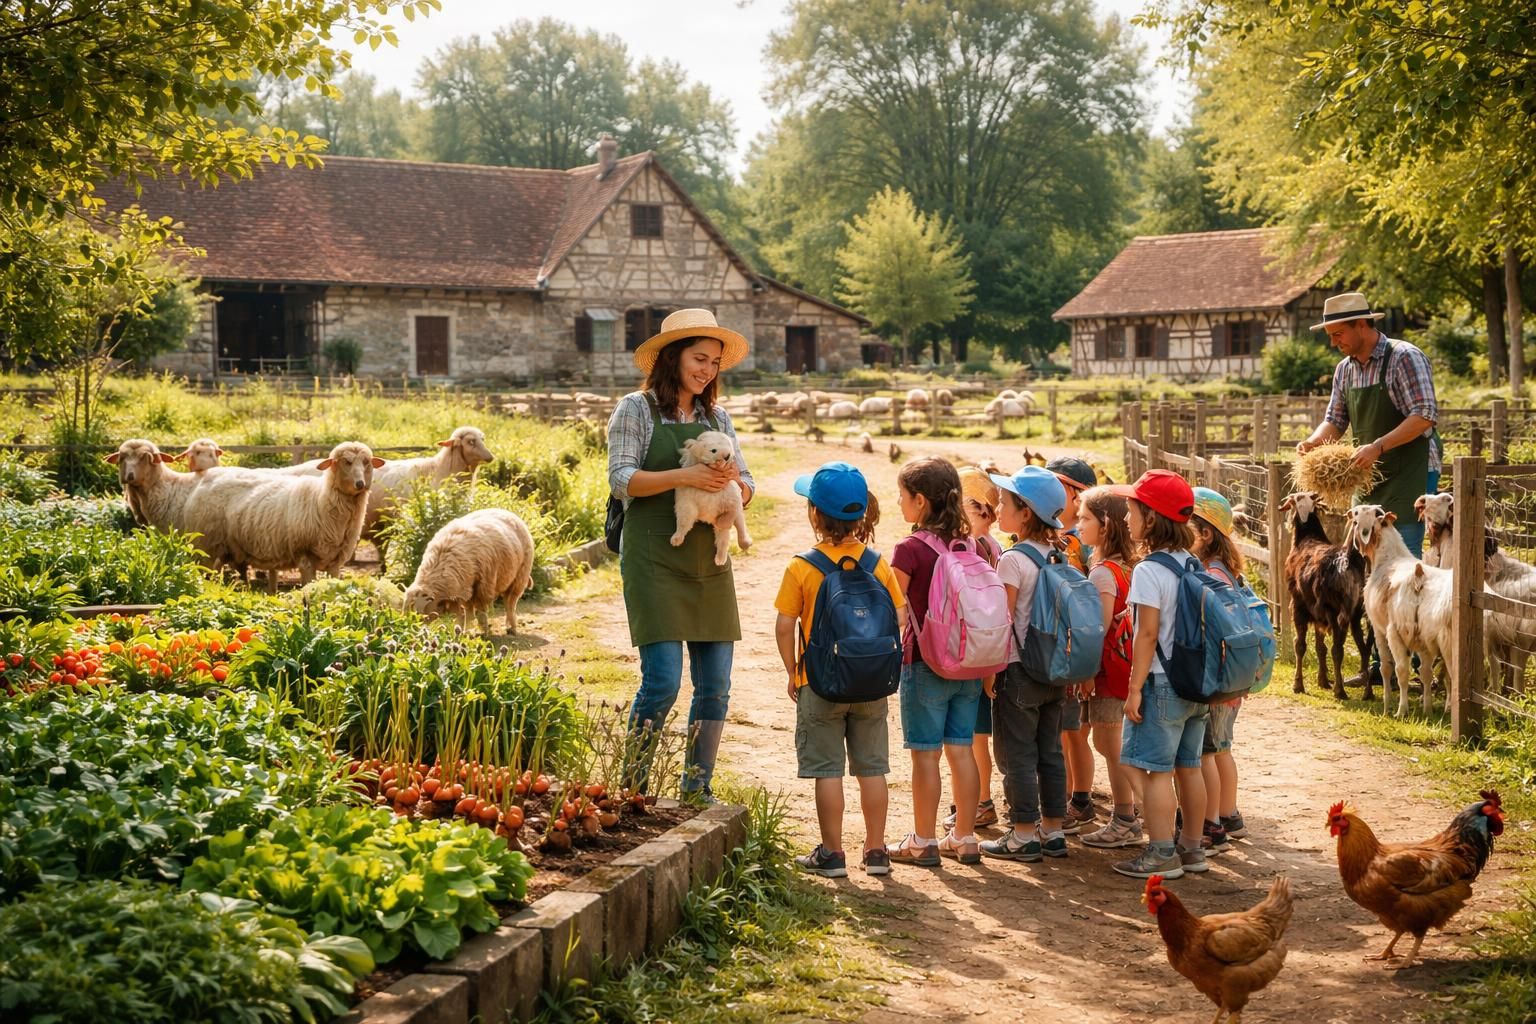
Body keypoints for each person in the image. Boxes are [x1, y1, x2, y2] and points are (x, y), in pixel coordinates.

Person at [607, 309, 754, 803]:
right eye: (699, 359)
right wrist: (686, 476)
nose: (707, 370)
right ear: (672, 358)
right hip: (654, 556)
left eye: (714, 362)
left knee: (715, 685)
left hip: (709, 561)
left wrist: (734, 485)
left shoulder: (718, 419)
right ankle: (633, 789)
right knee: (663, 681)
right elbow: (621, 479)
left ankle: (696, 788)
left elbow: (748, 485)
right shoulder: (636, 409)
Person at [776, 462, 904, 878]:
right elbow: (900, 618)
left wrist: (793, 671)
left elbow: (784, 626)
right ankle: (877, 850)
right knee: (873, 768)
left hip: (820, 682)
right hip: (871, 684)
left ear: (815, 513)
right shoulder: (877, 563)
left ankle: (832, 854)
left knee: (828, 770)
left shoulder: (802, 566)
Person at [1107, 469, 1208, 879]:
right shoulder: (1192, 563)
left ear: (1151, 518)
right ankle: (1193, 849)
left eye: (1131, 510)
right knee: (1190, 767)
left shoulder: (1149, 570)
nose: (1125, 518)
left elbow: (1147, 634)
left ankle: (1161, 852)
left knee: (1147, 768)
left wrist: (1134, 690)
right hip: (1194, 683)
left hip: (1161, 683)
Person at [889, 456, 983, 866]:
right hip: (970, 661)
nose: (899, 502)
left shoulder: (908, 549)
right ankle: (965, 837)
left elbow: (894, 610)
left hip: (925, 661)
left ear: (921, 501)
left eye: (902, 495)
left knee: (925, 755)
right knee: (961, 751)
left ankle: (923, 840)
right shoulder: (969, 545)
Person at [1296, 292, 1440, 556]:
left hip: (1411, 472)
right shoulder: (1344, 369)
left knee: (1402, 556)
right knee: (1361, 555)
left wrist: (1378, 446)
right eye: (1330, 335)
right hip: (1367, 473)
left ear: (1361, 325)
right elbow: (1335, 420)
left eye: (1338, 334)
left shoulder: (1404, 357)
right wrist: (1313, 442)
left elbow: (1424, 415)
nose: (1333, 342)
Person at [980, 465, 1072, 861]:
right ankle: (1053, 830)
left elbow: (1004, 619)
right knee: (1050, 752)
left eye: (1005, 502)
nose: (998, 508)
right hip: (1054, 670)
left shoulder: (1012, 560)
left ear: (1026, 512)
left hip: (1018, 669)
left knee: (1016, 754)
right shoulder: (1058, 556)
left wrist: (990, 671)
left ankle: (1021, 833)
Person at [1075, 485, 1144, 850]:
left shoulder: (1103, 573)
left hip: (1108, 672)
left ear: (1105, 525)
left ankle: (1127, 817)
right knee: (1110, 742)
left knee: (1109, 743)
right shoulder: (1129, 568)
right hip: (1126, 666)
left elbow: (1096, 630)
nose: (1078, 525)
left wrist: (1086, 672)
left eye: (1085, 518)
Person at [942, 465, 1003, 832]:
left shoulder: (976, 548)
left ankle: (980, 802)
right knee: (975, 738)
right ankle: (976, 799)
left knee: (973, 739)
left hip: (975, 654)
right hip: (987, 652)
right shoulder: (993, 546)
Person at [1189, 487, 1248, 854]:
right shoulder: (1227, 570)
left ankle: (1214, 824)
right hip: (1232, 679)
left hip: (1217, 679)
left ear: (1206, 534)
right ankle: (1229, 815)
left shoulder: (1211, 574)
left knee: (1209, 752)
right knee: (1222, 748)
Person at [1047, 456, 1100, 834]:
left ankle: (1078, 798)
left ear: (1074, 494)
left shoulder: (1080, 543)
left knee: (1076, 730)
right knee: (1066, 730)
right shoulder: (1058, 535)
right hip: (1063, 647)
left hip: (1076, 647)